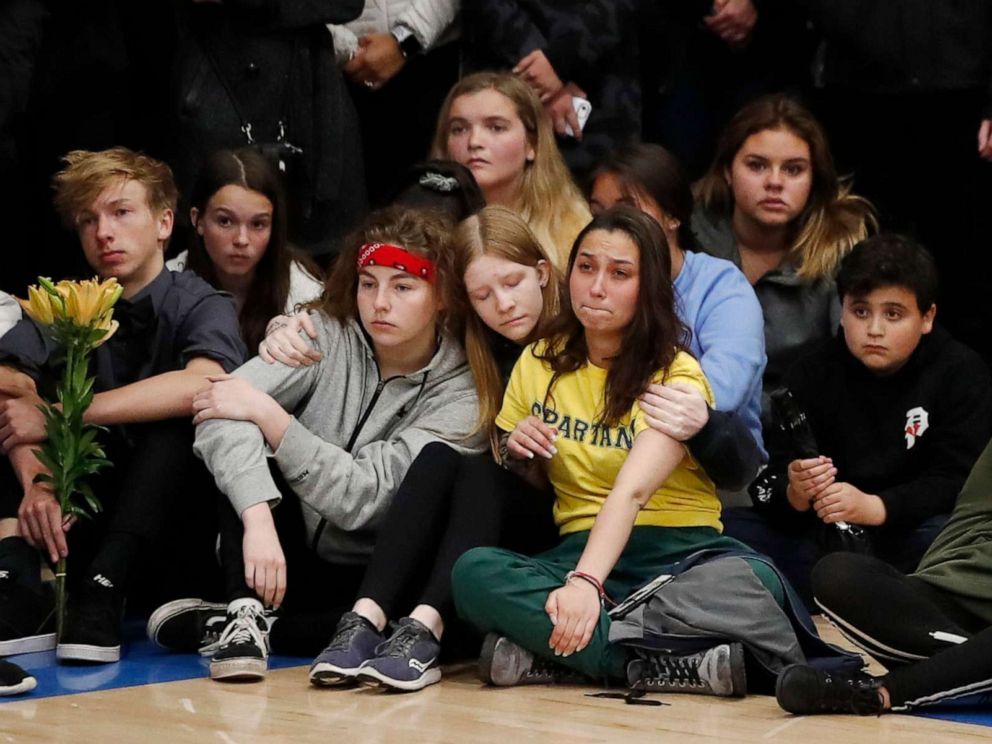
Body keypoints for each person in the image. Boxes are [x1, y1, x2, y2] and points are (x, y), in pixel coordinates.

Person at [450, 206, 785, 694]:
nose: (597, 286)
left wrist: (586, 586)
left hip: (678, 553)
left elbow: (630, 493)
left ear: (647, 287)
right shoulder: (538, 363)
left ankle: (566, 654)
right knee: (473, 573)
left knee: (757, 582)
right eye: (586, 267)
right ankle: (658, 662)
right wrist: (519, 453)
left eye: (619, 273)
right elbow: (535, 486)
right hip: (579, 544)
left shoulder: (676, 372)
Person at [145, 207, 485, 683]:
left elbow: (365, 499)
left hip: (373, 574)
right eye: (368, 283)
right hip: (282, 554)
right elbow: (218, 406)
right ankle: (244, 611)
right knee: (240, 438)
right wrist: (257, 515)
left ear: (443, 296)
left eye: (402, 287)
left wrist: (272, 416)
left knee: (407, 621)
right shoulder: (320, 333)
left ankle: (236, 625)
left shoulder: (462, 392)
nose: (379, 303)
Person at [0, 147, 245, 663]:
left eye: (120, 212)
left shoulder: (200, 301)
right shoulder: (65, 302)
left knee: (178, 422)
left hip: (172, 528)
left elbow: (204, 382)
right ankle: (17, 584)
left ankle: (105, 588)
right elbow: (9, 384)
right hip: (79, 518)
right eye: (88, 219)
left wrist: (60, 416)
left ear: (164, 222)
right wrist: (37, 480)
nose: (103, 232)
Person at [728, 234, 992, 604]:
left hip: (908, 530)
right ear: (843, 308)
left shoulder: (961, 373)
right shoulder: (812, 371)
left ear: (927, 316)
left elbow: (956, 481)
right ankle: (856, 593)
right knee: (733, 531)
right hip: (825, 534)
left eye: (893, 314)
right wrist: (796, 492)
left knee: (957, 543)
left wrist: (876, 507)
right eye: (861, 311)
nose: (875, 330)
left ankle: (864, 595)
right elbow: (770, 478)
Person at [776, 435, 992, 716]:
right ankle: (969, 669)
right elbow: (970, 514)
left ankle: (880, 694)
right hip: (949, 589)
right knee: (837, 574)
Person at [693, 95, 875, 414]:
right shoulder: (685, 237)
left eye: (793, 169)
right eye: (757, 165)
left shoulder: (842, 252)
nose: (774, 182)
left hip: (801, 429)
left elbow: (850, 376)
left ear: (813, 178)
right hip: (690, 417)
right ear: (726, 170)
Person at [589, 142, 766, 467]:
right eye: (598, 214)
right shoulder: (591, 284)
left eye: (627, 211)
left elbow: (719, 395)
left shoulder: (721, 286)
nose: (609, 227)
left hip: (714, 475)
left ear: (673, 216)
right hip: (601, 460)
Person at [461, 0, 642, 178]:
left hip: (603, 80)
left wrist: (561, 60)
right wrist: (541, 70)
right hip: (504, 79)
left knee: (604, 195)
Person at [430, 71, 591, 268]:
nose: (474, 142)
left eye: (496, 127)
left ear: (532, 144)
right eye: (459, 129)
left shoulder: (575, 232)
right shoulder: (425, 224)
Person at [167, 148, 323, 351]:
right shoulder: (168, 283)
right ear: (197, 220)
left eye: (258, 224)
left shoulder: (304, 290)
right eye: (225, 221)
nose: (242, 239)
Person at [328, 0, 460, 205]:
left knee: (433, 205)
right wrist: (346, 48)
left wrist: (404, 40)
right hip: (334, 65)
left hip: (433, 57)